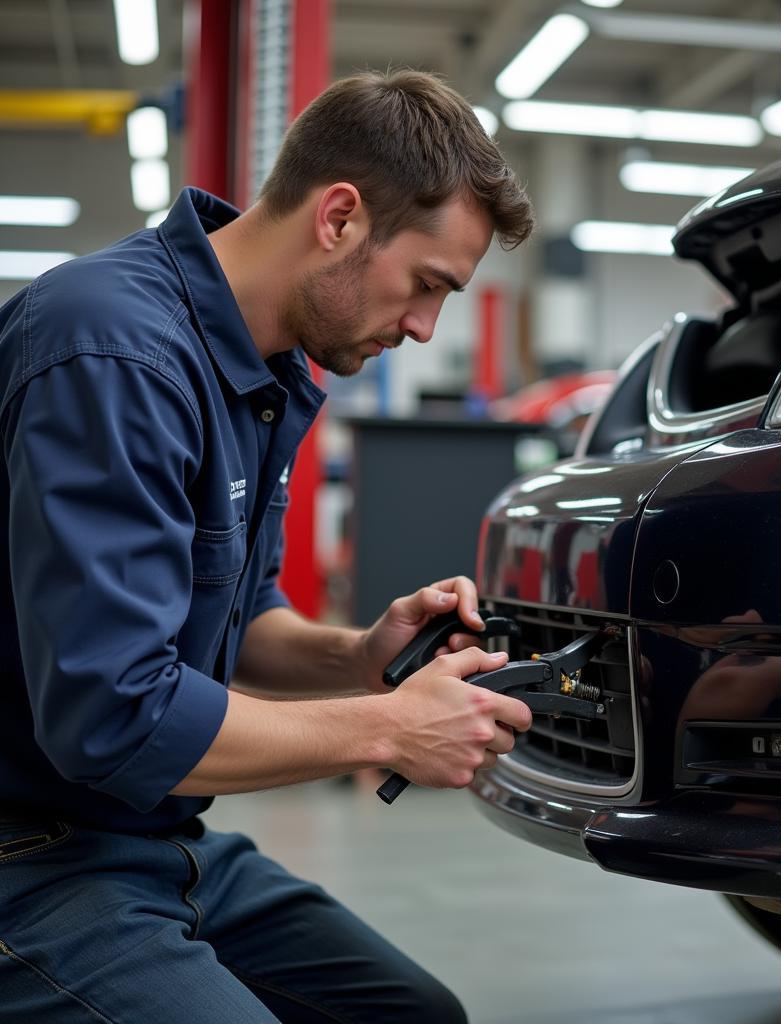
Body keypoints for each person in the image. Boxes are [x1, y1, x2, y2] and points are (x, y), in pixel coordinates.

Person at [0, 70, 535, 1023]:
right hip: (27, 854)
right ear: (339, 217)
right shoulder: (112, 348)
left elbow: (232, 621)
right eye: (425, 285)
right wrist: (390, 730)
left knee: (416, 1014)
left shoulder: (266, 367)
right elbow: (113, 715)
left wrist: (361, 657)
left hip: (153, 838)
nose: (423, 328)